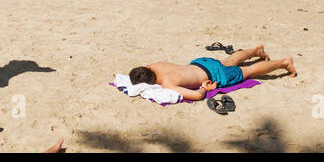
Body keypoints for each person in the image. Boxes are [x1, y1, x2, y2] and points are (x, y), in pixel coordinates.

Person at [127, 45, 296, 101]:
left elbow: (198, 96)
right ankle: (256, 50)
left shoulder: (167, 84)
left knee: (248, 71)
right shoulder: (155, 65)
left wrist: (203, 87)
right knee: (230, 61)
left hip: (214, 75)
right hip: (200, 62)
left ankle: (284, 62)